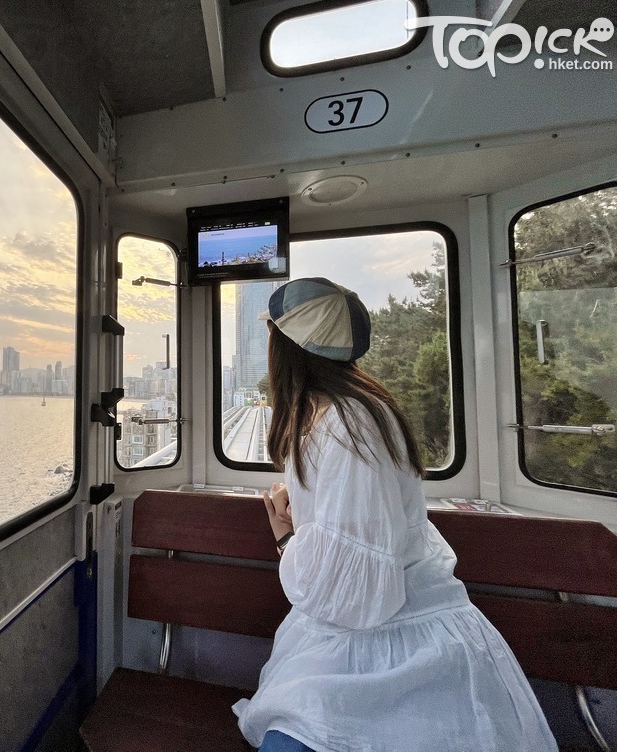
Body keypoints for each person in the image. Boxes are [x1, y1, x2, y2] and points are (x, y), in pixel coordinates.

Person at [232, 277, 557, 752]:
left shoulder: (345, 426)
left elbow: (355, 599)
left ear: (284, 346)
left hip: (395, 651)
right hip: (381, 635)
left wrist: (287, 537)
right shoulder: (345, 415)